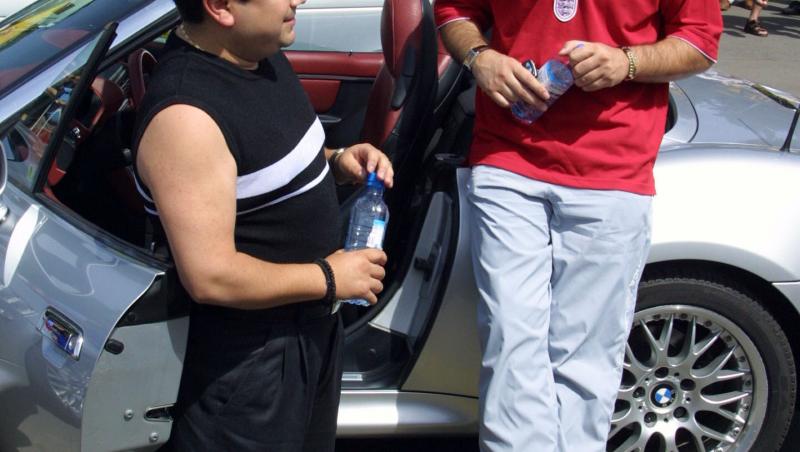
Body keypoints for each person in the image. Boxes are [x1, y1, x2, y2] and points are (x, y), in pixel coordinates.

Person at [434, 0, 721, 450]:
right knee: (510, 340)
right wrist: (480, 57)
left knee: (584, 357)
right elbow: (455, 11)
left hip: (613, 170)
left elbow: (699, 42)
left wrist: (626, 62)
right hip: (508, 160)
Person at [132, 0, 394, 450]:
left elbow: (257, 164)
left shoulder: (258, 55)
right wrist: (329, 278)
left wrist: (335, 161)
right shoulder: (186, 117)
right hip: (249, 367)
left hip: (309, 333)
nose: (298, 0)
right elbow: (210, 276)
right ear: (220, 7)